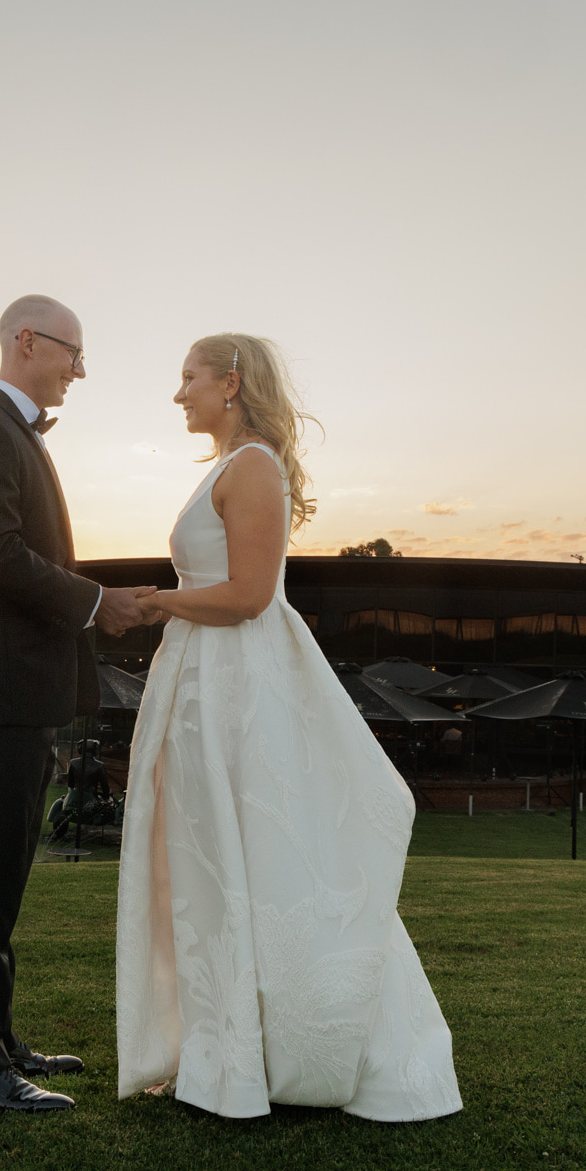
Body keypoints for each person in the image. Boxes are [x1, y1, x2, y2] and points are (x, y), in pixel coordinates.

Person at [115, 333, 462, 1122]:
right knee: (209, 859)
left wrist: (159, 602)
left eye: (189, 377)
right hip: (203, 685)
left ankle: (276, 1049)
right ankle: (220, 1049)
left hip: (235, 688)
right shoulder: (227, 468)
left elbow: (248, 595)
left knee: (254, 855)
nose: (179, 393)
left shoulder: (253, 467)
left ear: (231, 383)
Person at [0, 294, 153, 1113]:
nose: (79, 370)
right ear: (27, 340)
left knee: (6, 868)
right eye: (72, 352)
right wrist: (96, 602)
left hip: (20, 689)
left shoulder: (12, 435)